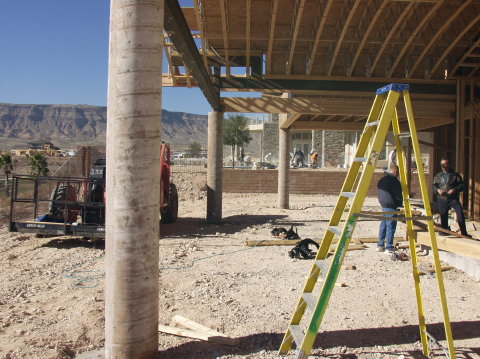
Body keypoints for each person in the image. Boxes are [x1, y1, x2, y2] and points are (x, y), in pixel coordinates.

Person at [432, 158, 471, 237]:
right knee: (443, 216)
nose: (444, 166)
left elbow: (462, 186)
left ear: (448, 164)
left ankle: (464, 232)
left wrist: (455, 189)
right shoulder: (438, 176)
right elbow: (433, 187)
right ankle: (444, 231)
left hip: (453, 199)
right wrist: (438, 190)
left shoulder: (455, 175)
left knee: (460, 214)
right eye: (442, 165)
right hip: (442, 199)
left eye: (445, 164)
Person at [377, 166, 403, 254]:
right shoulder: (394, 181)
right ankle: (388, 247)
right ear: (395, 172)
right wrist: (400, 204)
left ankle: (380, 245)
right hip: (391, 206)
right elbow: (397, 194)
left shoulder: (382, 180)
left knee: (383, 225)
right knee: (390, 227)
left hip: (383, 205)